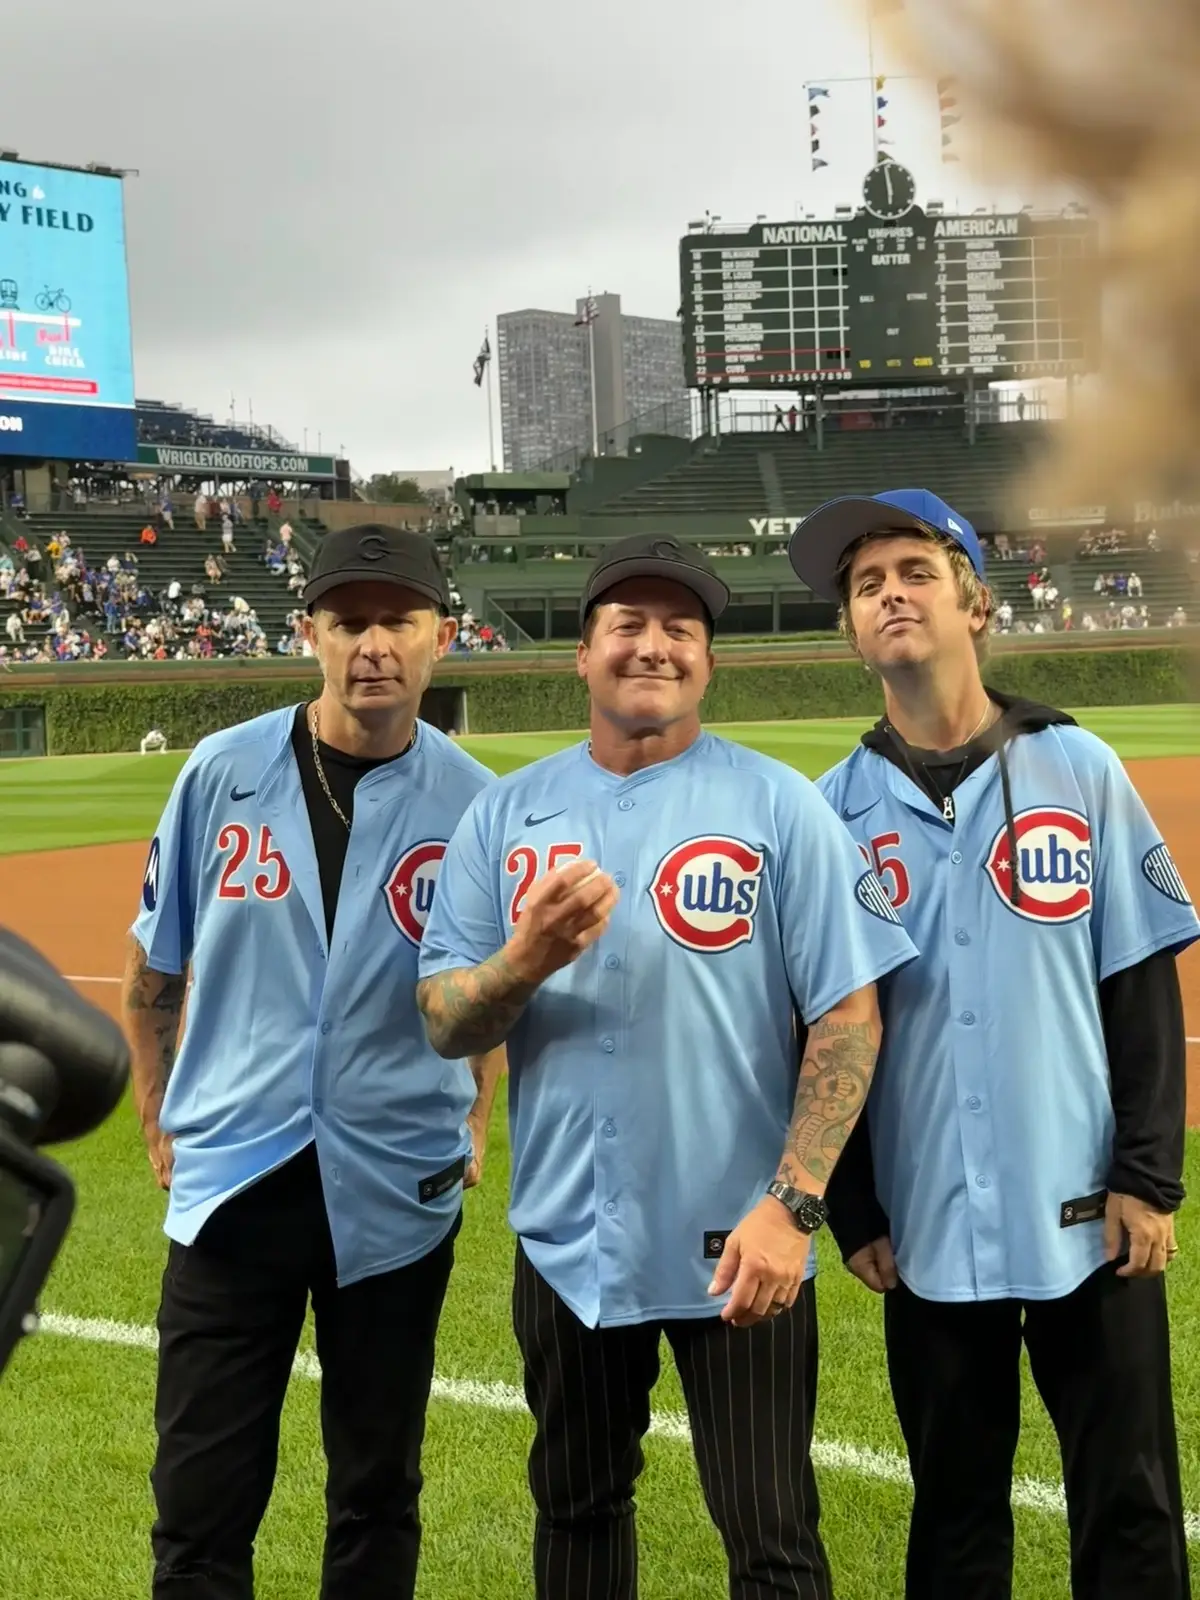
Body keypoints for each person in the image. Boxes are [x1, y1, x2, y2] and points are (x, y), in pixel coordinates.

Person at [416, 533, 916, 1600]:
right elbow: (444, 1021)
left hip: (739, 1238)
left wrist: (794, 1204)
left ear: (708, 659)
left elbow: (848, 1015)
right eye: (627, 626)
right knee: (578, 1512)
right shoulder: (505, 814)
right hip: (566, 1237)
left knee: (772, 1534)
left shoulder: (782, 806)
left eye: (679, 628)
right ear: (583, 654)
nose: (654, 646)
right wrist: (523, 960)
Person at [787, 488, 1200, 1600]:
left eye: (915, 571)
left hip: (1090, 1216)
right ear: (850, 629)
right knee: (956, 1511)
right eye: (865, 585)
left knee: (1131, 1502)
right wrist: (858, 1207)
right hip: (929, 1225)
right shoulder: (829, 814)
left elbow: (1141, 983)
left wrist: (1149, 1176)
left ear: (975, 600)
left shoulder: (1081, 769)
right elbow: (830, 1029)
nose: (889, 594)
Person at [121, 524, 503, 1600]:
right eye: (348, 620)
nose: (372, 643)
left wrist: (475, 1116)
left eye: (398, 619)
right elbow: (157, 965)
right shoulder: (219, 772)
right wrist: (157, 1114)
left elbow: (482, 991)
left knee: (378, 1490)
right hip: (235, 1182)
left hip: (393, 1187)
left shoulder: (479, 803)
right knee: (199, 1507)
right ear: (311, 635)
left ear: (441, 636)